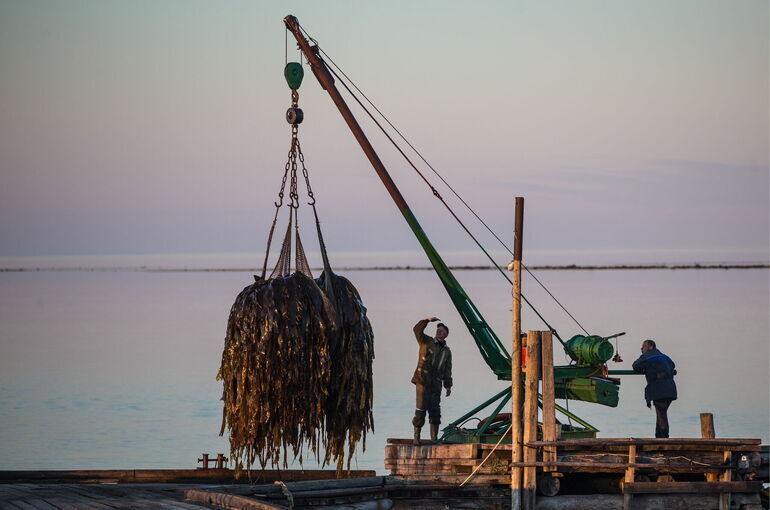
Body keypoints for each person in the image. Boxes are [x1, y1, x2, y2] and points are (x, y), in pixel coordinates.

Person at [411, 317, 453, 445]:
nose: (439, 332)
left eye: (442, 331)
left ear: (446, 335)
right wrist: (427, 320)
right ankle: (416, 438)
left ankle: (434, 439)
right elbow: (416, 330)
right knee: (421, 409)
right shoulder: (426, 341)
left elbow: (447, 369)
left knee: (435, 411)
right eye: (438, 330)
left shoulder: (447, 351)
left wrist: (448, 385)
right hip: (422, 380)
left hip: (436, 384)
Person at [632, 339, 677, 438]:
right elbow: (672, 365)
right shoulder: (664, 357)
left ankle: (664, 438)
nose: (641, 349)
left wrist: (646, 368)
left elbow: (635, 366)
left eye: (643, 346)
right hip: (670, 389)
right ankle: (659, 437)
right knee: (661, 413)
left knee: (661, 414)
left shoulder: (648, 356)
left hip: (659, 389)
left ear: (651, 347)